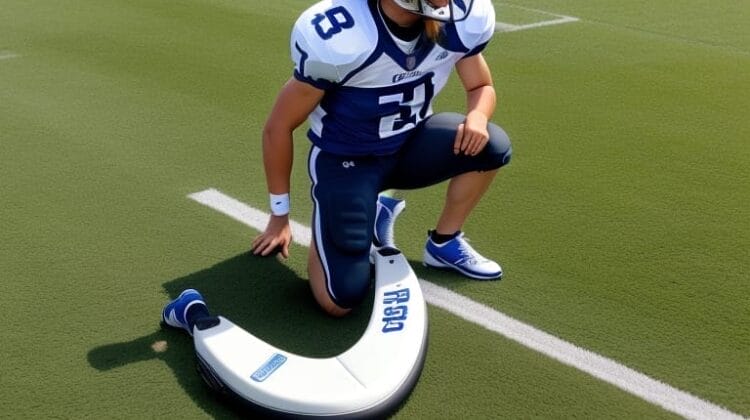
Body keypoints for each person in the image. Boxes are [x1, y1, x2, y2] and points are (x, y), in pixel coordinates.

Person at [163, 0, 512, 332]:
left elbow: (481, 84)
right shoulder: (344, 36)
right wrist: (279, 217)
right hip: (349, 162)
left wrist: (478, 117)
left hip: (410, 144)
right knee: (339, 301)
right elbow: (278, 127)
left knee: (491, 145)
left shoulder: (454, 20)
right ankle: (342, 222)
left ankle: (443, 243)